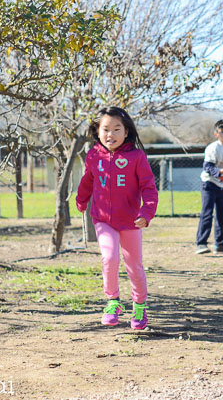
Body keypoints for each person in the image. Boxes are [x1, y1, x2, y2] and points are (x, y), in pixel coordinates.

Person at [76, 106, 158, 328]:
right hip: (103, 219)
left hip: (131, 221)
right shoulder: (93, 155)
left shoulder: (137, 156)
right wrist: (81, 200)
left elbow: (149, 187)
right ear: (98, 131)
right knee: (110, 258)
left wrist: (146, 212)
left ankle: (139, 306)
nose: (110, 134)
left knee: (134, 265)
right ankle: (113, 302)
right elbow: (87, 181)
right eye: (105, 129)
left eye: (116, 129)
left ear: (126, 132)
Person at [195, 119, 223, 254]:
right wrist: (221, 172)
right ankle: (201, 244)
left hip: (222, 185)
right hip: (209, 183)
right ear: (216, 134)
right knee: (207, 213)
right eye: (222, 132)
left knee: (222, 214)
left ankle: (220, 244)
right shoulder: (213, 148)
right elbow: (207, 167)